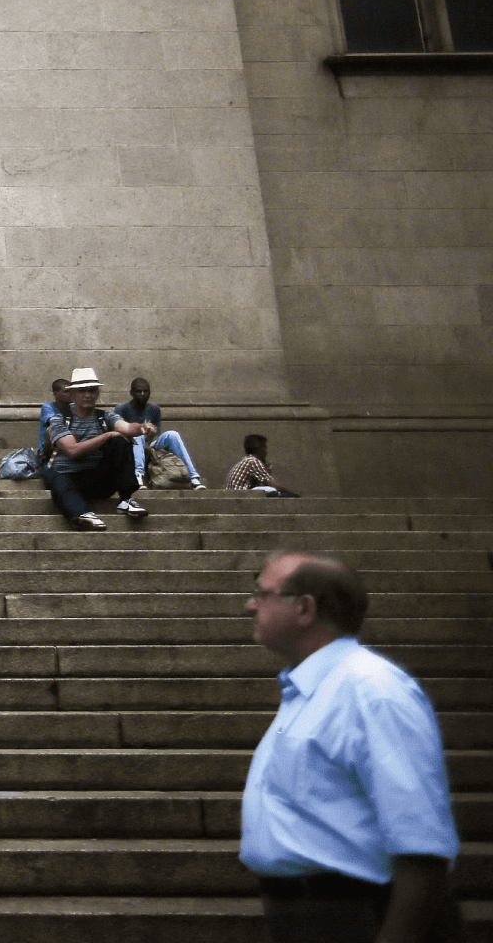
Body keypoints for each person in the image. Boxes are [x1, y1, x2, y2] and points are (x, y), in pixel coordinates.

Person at [240, 551, 462, 942]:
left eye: (263, 593)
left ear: (304, 608)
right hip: (313, 916)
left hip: (357, 916)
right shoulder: (314, 691)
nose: (249, 605)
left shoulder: (371, 691)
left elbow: (423, 847)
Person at [42, 367, 152, 531]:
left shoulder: (105, 416)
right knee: (59, 480)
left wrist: (143, 428)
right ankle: (82, 515)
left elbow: (127, 428)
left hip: (98, 480)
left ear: (97, 393)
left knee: (121, 440)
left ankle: (126, 499)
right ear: (72, 395)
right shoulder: (59, 420)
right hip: (69, 479)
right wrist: (106, 436)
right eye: (82, 391)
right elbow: (73, 451)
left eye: (92, 390)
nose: (88, 395)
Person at [114, 377, 206, 489]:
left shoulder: (154, 409)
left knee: (173, 434)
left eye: (146, 391)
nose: (142, 394)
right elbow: (118, 435)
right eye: (138, 391)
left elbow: (157, 436)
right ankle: (138, 477)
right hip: (130, 448)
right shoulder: (122, 409)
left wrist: (152, 433)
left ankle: (193, 477)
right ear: (132, 393)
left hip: (150, 446)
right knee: (139, 436)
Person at [229, 433, 302, 497]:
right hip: (241, 494)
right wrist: (293, 492)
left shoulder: (246, 460)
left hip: (235, 494)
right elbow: (273, 485)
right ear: (259, 449)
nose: (266, 452)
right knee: (271, 490)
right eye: (265, 448)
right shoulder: (253, 462)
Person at [37, 377, 70, 456]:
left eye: (72, 391)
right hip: (47, 451)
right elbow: (54, 423)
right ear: (56, 394)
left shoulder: (73, 408)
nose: (71, 394)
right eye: (66, 391)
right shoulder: (48, 407)